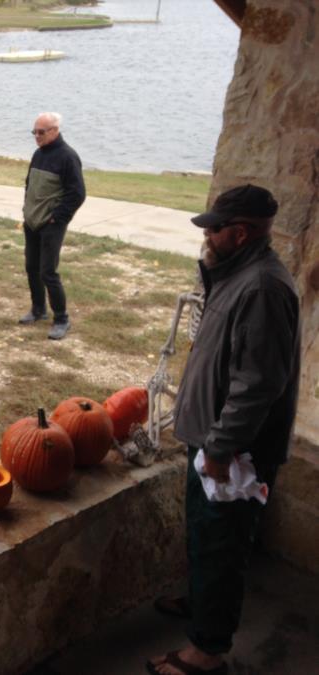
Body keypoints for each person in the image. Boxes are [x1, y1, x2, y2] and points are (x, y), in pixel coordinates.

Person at [147, 185, 300, 675]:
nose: (206, 235)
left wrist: (221, 446)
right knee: (205, 535)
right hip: (212, 440)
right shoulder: (235, 273)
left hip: (233, 453)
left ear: (241, 233)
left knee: (223, 543)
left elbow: (257, 384)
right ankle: (202, 601)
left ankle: (206, 652)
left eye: (214, 229)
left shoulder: (261, 289)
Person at [18, 111, 85, 340]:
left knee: (48, 271)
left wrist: (57, 218)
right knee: (31, 267)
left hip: (51, 225)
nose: (36, 136)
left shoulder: (68, 157)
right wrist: (27, 211)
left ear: (55, 131)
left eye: (41, 132)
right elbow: (30, 185)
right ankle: (38, 310)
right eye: (34, 132)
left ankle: (62, 319)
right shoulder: (38, 154)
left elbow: (77, 194)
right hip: (32, 222)